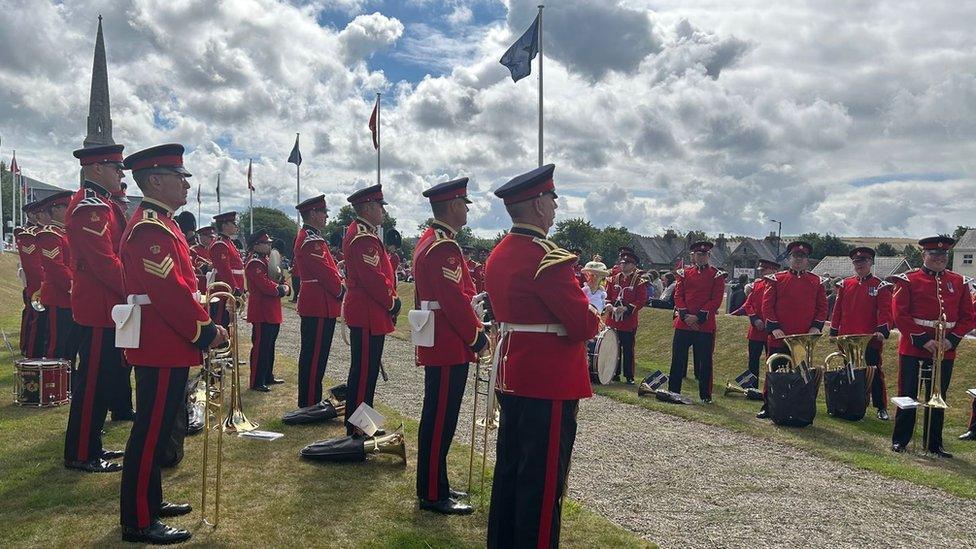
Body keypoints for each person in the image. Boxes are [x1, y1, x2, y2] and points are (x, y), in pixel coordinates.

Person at [485, 164, 600, 548]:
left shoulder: (499, 252)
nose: (555, 205)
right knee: (543, 482)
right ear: (537, 204)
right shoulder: (547, 258)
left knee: (511, 472)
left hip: (514, 371)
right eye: (552, 198)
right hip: (548, 380)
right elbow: (585, 324)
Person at [118, 143, 227, 544]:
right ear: (155, 180)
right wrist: (205, 331)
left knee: (159, 428)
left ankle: (151, 500)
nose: (185, 184)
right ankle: (139, 520)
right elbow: (170, 293)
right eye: (179, 177)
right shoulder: (150, 228)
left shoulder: (162, 223)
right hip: (160, 343)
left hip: (164, 342)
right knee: (150, 431)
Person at [412, 177, 487, 515]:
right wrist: (476, 336)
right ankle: (432, 492)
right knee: (440, 418)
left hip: (441, 337)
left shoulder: (432, 240)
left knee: (439, 417)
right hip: (448, 340)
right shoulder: (444, 246)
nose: (467, 209)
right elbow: (455, 302)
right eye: (465, 203)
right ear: (454, 206)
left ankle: (435, 484)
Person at [62, 144, 132, 474]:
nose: (120, 173)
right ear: (94, 169)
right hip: (98, 306)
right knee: (91, 385)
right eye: (114, 167)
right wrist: (135, 287)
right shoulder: (90, 207)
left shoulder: (100, 204)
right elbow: (104, 262)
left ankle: (92, 443)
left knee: (101, 381)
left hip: (105, 306)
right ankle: (81, 453)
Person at [890, 236, 975, 456]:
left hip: (946, 348)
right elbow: (900, 314)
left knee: (938, 396)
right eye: (934, 255)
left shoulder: (959, 282)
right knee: (908, 393)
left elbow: (968, 317)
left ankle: (934, 443)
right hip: (914, 346)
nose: (939, 259)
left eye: (943, 255)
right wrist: (923, 340)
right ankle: (901, 440)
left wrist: (952, 339)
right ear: (924, 255)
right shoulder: (908, 280)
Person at [341, 184, 399, 435]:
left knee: (366, 370)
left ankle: (362, 423)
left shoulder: (364, 232)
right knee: (364, 372)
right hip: (368, 311)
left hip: (369, 311)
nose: (382, 212)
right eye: (379, 207)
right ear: (367, 208)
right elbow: (373, 278)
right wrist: (393, 301)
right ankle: (358, 427)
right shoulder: (363, 237)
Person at [757, 241, 827, 419]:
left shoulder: (815, 281)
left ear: (807, 260)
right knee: (774, 372)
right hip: (780, 336)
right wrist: (774, 328)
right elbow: (767, 306)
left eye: (802, 257)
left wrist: (815, 326)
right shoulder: (776, 279)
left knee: (802, 373)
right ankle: (769, 405)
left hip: (804, 338)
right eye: (795, 256)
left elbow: (822, 308)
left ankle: (799, 406)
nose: (798, 260)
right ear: (789, 258)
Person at [828, 247, 894, 420]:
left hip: (870, 339)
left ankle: (881, 407)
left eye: (864, 261)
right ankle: (851, 402)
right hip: (848, 338)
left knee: (874, 372)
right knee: (849, 371)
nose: (860, 265)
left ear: (871, 262)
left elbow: (886, 311)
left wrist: (882, 331)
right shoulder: (845, 284)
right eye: (857, 262)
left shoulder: (880, 285)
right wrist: (833, 332)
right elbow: (838, 310)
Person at [295, 195, 344, 407]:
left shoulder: (311, 237)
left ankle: (309, 399)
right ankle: (309, 402)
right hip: (319, 303)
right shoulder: (311, 240)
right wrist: (341, 290)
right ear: (313, 214)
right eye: (323, 212)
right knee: (314, 356)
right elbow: (325, 273)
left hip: (318, 303)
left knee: (315, 355)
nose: (326, 217)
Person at [667, 241, 727, 402]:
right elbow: (678, 296)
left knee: (705, 362)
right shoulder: (684, 273)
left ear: (709, 256)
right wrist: (686, 315)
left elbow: (716, 299)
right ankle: (673, 390)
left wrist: (698, 317)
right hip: (683, 323)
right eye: (698, 254)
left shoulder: (716, 275)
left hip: (704, 325)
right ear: (693, 256)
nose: (701, 257)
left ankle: (705, 396)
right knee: (677, 359)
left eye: (704, 254)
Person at [35, 191, 80, 363]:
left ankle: (68, 385)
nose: (70, 210)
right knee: (57, 346)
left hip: (71, 298)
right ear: (55, 209)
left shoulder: (66, 233)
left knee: (71, 346)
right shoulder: (49, 235)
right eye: (66, 207)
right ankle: (52, 384)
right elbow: (56, 268)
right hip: (59, 298)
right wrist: (75, 287)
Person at [244, 229, 289, 392]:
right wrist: (282, 289)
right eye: (266, 243)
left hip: (271, 309)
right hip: (262, 310)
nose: (269, 245)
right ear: (256, 245)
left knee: (270, 345)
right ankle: (257, 380)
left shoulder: (267, 260)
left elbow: (279, 278)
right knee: (261, 346)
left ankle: (267, 375)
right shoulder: (255, 262)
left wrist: (285, 286)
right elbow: (265, 285)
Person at [605, 247, 648, 384]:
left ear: (634, 266)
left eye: (627, 263)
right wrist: (609, 305)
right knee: (613, 347)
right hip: (612, 320)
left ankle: (629, 376)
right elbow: (607, 296)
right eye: (622, 263)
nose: (623, 265)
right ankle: (614, 373)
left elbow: (641, 300)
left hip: (628, 321)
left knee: (628, 349)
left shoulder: (639, 281)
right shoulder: (612, 279)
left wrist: (627, 308)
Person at [16, 202, 46, 359]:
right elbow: (33, 267)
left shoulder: (47, 232)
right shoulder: (29, 234)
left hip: (48, 285)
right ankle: (29, 351)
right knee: (33, 319)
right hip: (36, 285)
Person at [741, 259, 780, 382]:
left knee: (774, 361)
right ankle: (750, 387)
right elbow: (748, 305)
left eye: (764, 270)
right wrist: (755, 319)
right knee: (753, 360)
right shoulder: (757, 285)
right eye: (761, 270)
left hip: (772, 330)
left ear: (774, 270)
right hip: (756, 330)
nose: (761, 273)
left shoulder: (780, 285)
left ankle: (773, 388)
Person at [208, 211, 244, 329]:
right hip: (224, 291)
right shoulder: (220, 244)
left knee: (229, 324)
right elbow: (225, 270)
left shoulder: (228, 242)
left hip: (231, 291)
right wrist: (234, 288)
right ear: (224, 225)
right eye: (233, 223)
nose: (235, 226)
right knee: (222, 322)